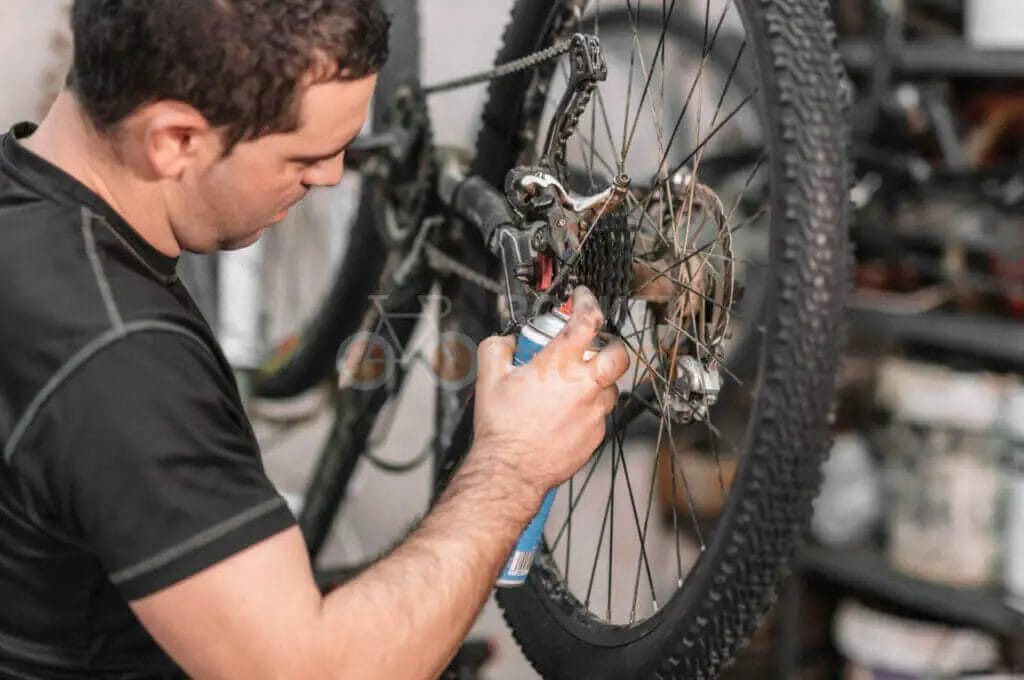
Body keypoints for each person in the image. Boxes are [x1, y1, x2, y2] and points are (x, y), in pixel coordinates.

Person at [0, 1, 630, 678]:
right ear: (175, 139)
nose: (331, 177)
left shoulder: (32, 211)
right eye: (305, 156)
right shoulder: (119, 361)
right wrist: (513, 465)